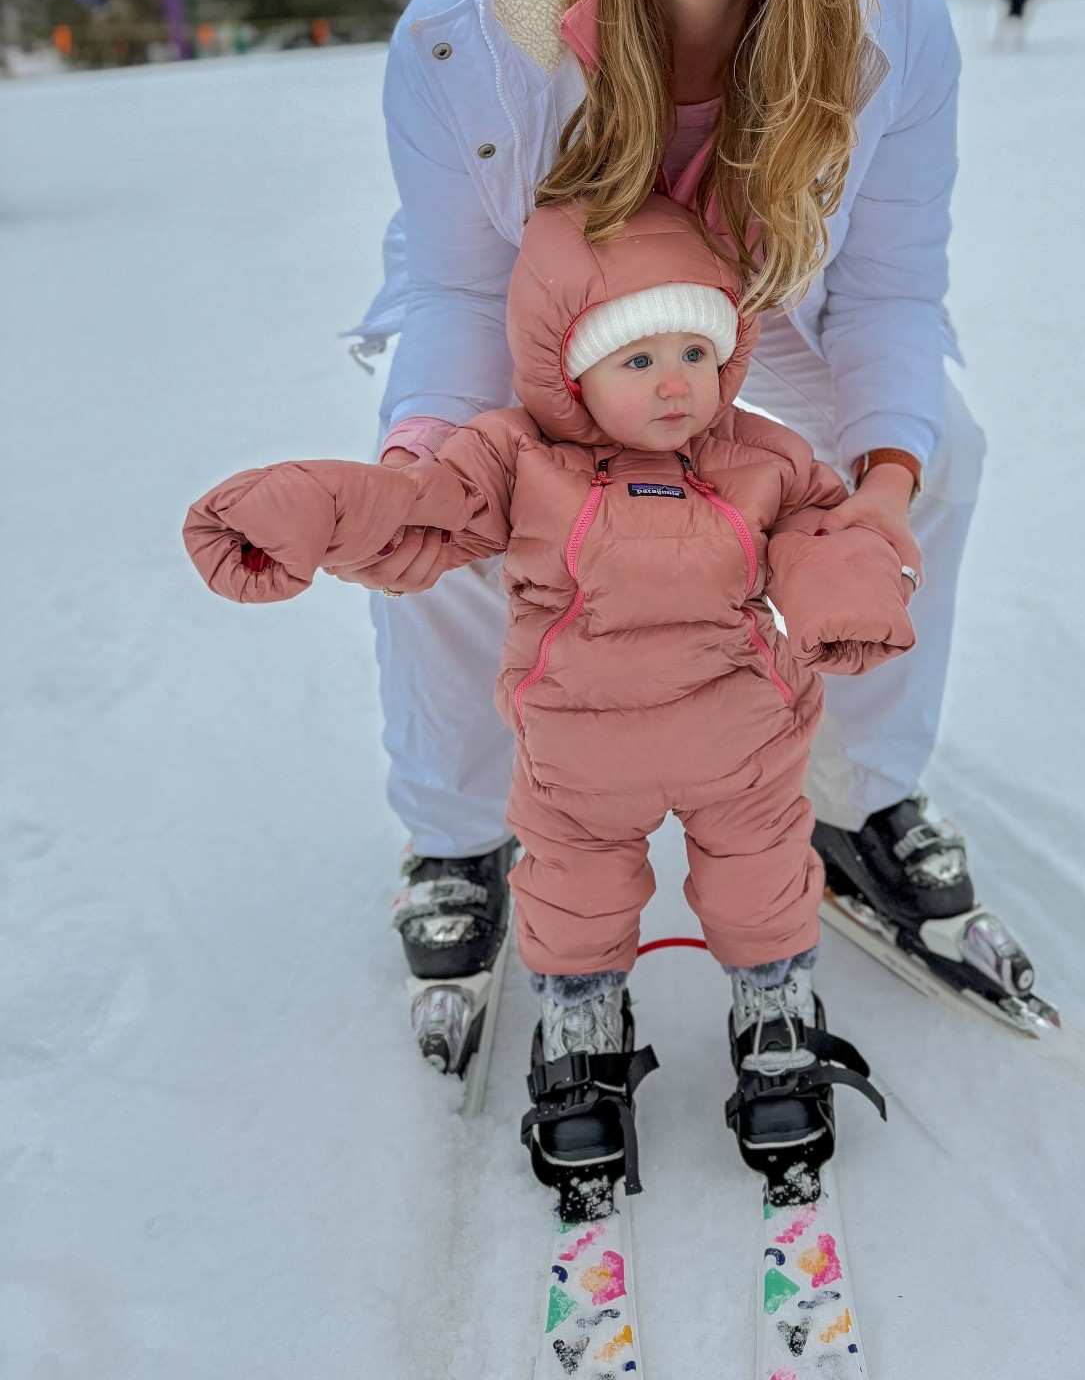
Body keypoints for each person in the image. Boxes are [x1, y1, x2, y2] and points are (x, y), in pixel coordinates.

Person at [344, 0, 1038, 1066]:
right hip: (549, 292)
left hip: (758, 278)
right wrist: (419, 467)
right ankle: (462, 829)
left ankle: (853, 801)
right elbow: (464, 281)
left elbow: (893, 289)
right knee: (452, 486)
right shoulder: (480, 17)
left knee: (946, 445)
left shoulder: (887, 18)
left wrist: (883, 499)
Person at [185, 195, 900, 1208]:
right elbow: (417, 507)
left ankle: (775, 1013)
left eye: (696, 351)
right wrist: (308, 507)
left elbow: (829, 531)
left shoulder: (763, 458)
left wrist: (848, 599)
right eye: (637, 360)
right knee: (574, 891)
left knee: (764, 872)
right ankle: (580, 1026)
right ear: (571, 368)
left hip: (739, 741)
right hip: (578, 756)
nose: (675, 385)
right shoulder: (517, 459)